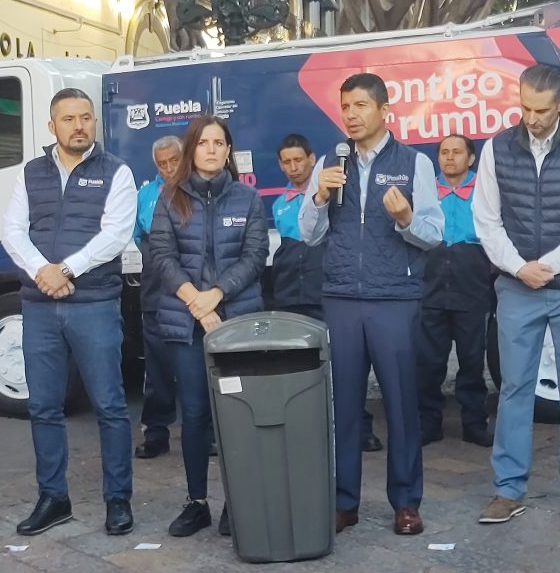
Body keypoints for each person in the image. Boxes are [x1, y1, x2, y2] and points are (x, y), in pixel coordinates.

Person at [299, 73, 444, 536]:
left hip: (393, 300)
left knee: (401, 404)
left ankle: (406, 502)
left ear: (385, 110)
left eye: (361, 106)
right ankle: (344, 501)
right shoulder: (330, 162)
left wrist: (405, 219)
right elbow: (308, 233)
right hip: (341, 297)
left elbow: (433, 234)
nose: (351, 115)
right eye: (345, 107)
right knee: (342, 405)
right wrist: (320, 195)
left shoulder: (413, 163)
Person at [473, 65, 560, 525]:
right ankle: (508, 490)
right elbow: (486, 220)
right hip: (516, 287)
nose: (530, 118)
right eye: (524, 107)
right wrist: (518, 268)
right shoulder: (496, 149)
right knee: (513, 388)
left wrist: (547, 267)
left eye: (540, 110)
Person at [3, 88, 138, 536]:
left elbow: (116, 234)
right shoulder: (30, 173)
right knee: (43, 406)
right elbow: (12, 231)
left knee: (110, 405)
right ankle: (53, 498)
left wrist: (65, 269)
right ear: (52, 126)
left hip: (94, 304)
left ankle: (117, 500)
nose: (79, 125)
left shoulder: (116, 172)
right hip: (40, 306)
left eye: (86, 117)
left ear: (94, 123)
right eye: (69, 119)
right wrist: (43, 272)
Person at [149, 115, 268, 537]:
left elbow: (255, 257)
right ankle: (196, 502)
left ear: (229, 151)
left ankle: (238, 502)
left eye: (220, 143)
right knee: (196, 414)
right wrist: (197, 305)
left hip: (235, 321)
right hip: (187, 323)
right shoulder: (169, 198)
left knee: (236, 415)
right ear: (192, 149)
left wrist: (216, 295)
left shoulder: (248, 200)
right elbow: (162, 257)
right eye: (204, 143)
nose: (213, 149)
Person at [271, 133, 383, 453]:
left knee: (344, 365)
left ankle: (359, 427)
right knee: (298, 366)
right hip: (292, 294)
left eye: (298, 160)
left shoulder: (334, 194)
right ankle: (305, 426)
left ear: (312, 159)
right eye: (286, 162)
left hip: (327, 290)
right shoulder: (280, 204)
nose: (293, 167)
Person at [417, 134, 494, 448]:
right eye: (444, 152)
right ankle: (428, 423)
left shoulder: (485, 191)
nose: (449, 157)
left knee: (473, 361)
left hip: (471, 289)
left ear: (471, 158)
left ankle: (474, 424)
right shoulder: (424, 192)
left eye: (457, 152)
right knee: (428, 362)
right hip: (431, 289)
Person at [133, 135, 182, 460]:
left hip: (190, 292)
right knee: (157, 368)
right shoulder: (146, 195)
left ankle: (206, 433)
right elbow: (138, 236)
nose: (167, 169)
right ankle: (156, 433)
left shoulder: (194, 190)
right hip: (154, 292)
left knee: (196, 369)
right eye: (161, 164)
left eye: (173, 161)